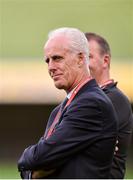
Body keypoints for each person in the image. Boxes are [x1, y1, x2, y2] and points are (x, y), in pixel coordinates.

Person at [18, 27, 118, 179]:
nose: (50, 67)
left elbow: (41, 156)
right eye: (47, 60)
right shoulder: (62, 108)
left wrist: (27, 157)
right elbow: (36, 163)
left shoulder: (92, 104)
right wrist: (32, 171)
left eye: (57, 58)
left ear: (80, 59)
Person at [85, 32, 133, 179]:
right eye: (78, 58)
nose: (82, 63)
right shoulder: (84, 99)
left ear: (105, 61)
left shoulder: (115, 99)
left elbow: (65, 148)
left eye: (88, 57)